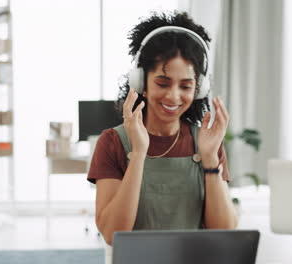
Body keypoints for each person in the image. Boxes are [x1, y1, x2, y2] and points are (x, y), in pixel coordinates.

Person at [87, 11, 237, 245]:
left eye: (186, 86)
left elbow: (224, 231)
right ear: (141, 82)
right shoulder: (113, 142)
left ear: (198, 90)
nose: (174, 96)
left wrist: (209, 160)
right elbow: (113, 234)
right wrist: (138, 154)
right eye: (162, 83)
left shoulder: (207, 143)